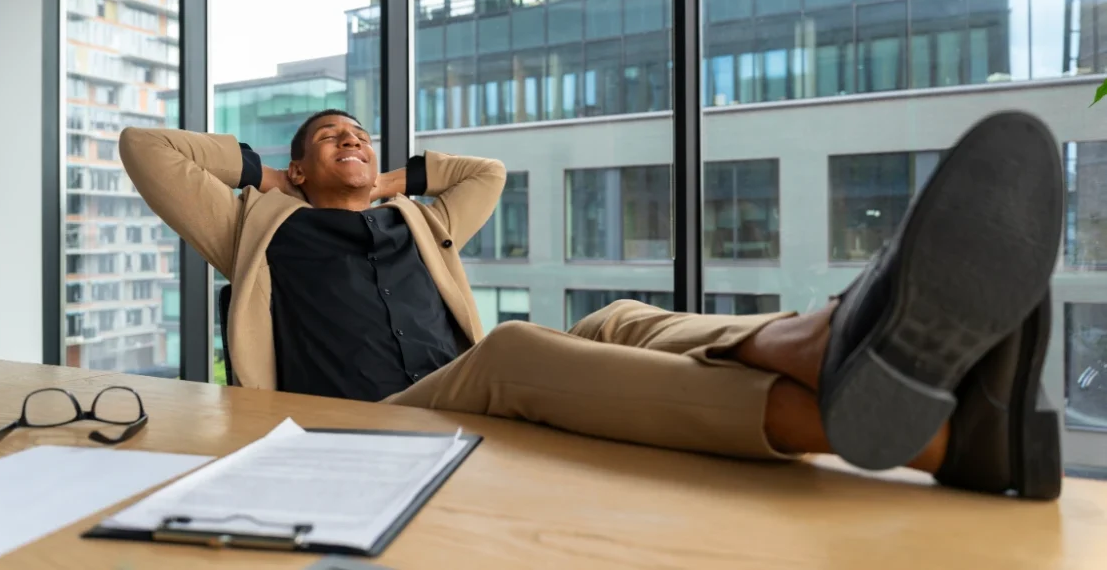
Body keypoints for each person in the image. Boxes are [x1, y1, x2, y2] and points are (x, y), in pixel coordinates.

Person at [120, 109, 1064, 501]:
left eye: (363, 135)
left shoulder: (421, 221)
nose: (354, 142)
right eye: (334, 139)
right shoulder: (256, 226)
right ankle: (893, 400)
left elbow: (484, 172)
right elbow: (146, 149)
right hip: (362, 432)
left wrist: (387, 175)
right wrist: (265, 171)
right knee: (517, 350)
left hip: (451, 396)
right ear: (295, 167)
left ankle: (840, 360)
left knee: (614, 315)